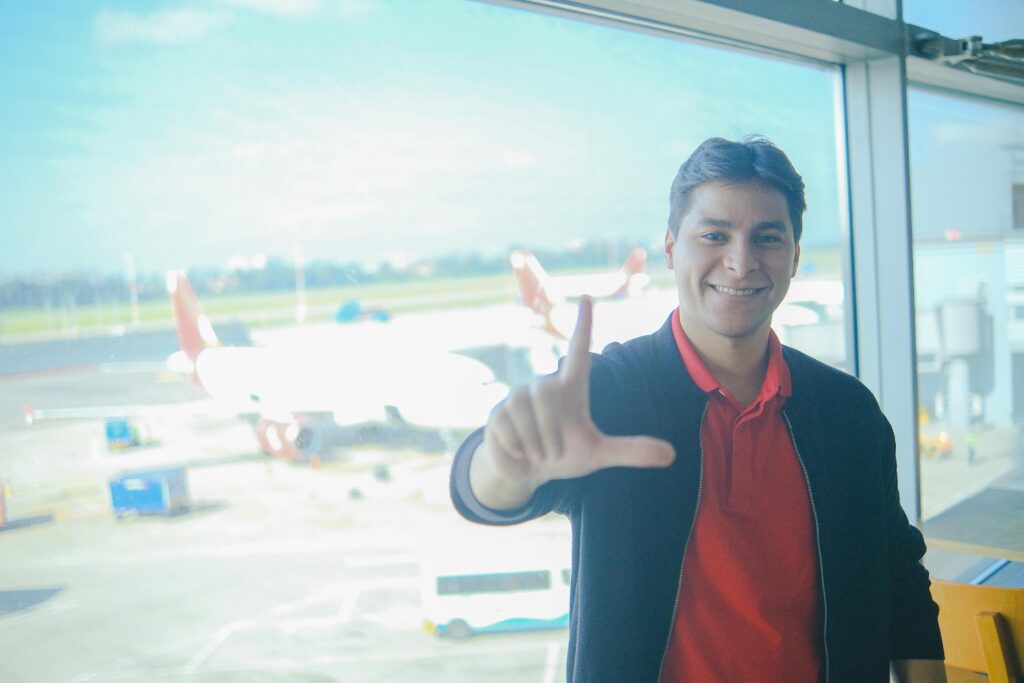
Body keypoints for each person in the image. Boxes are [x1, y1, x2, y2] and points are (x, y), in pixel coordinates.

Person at [450, 136, 946, 682]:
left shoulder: (847, 412)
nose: (741, 262)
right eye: (714, 235)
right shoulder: (611, 393)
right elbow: (482, 493)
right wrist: (507, 463)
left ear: (795, 256)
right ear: (670, 247)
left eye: (768, 238)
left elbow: (899, 577)